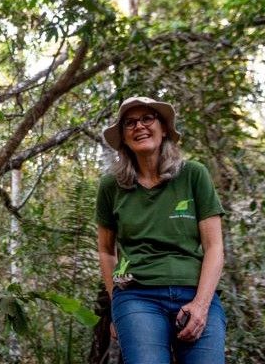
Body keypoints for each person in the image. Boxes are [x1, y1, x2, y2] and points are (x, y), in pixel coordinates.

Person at [95, 96, 227, 364]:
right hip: (136, 295)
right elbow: (106, 251)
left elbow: (214, 247)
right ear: (123, 137)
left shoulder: (193, 175)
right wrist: (117, 306)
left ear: (164, 127)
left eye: (147, 118)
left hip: (195, 290)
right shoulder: (111, 186)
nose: (139, 126)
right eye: (130, 123)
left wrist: (201, 306)